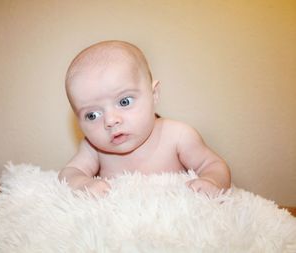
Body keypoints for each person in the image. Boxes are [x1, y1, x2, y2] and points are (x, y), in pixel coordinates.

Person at [58, 40, 231, 198]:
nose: (110, 121)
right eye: (92, 115)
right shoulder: (93, 149)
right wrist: (82, 183)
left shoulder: (177, 135)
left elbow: (213, 164)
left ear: (154, 94)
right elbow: (70, 172)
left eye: (124, 102)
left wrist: (212, 182)